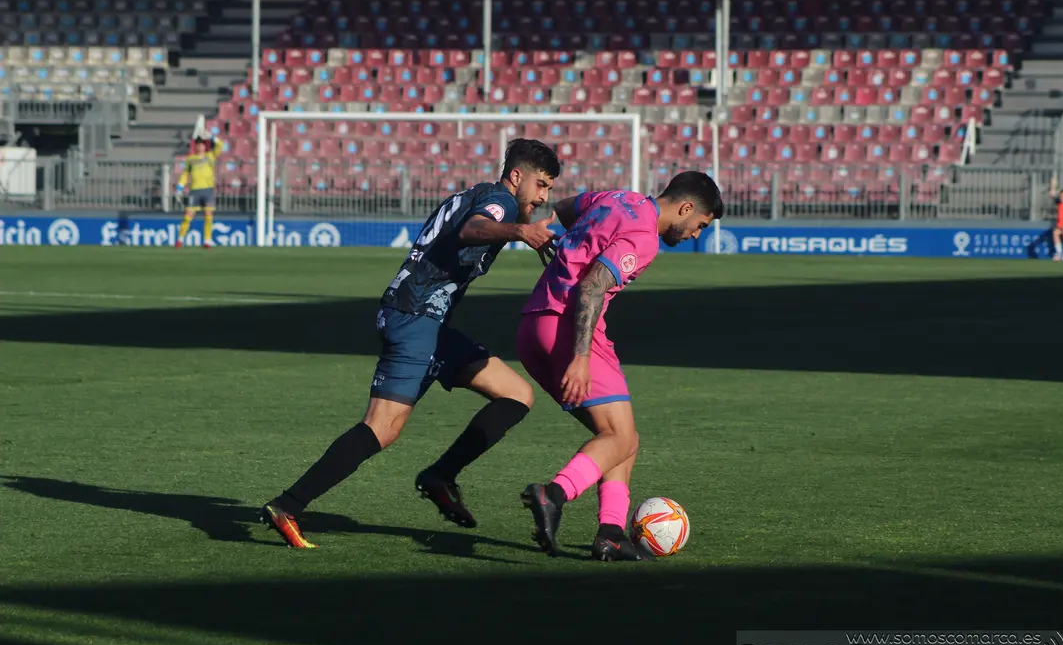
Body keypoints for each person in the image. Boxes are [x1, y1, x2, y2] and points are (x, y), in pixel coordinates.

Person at [260, 138, 562, 548]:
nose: (544, 197)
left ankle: (441, 475)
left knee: (517, 394)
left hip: (428, 324)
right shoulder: (500, 202)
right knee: (381, 428)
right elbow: (474, 229)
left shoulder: (476, 194)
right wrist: (518, 231)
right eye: (541, 185)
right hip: (414, 319)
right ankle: (288, 504)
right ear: (516, 176)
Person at [516, 172, 723, 562]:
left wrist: (567, 247)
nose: (696, 234)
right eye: (700, 225)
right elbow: (592, 286)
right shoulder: (644, 236)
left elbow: (563, 208)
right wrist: (580, 357)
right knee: (620, 436)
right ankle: (554, 494)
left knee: (623, 437)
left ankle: (610, 533)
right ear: (685, 208)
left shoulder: (617, 198)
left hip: (533, 325)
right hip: (568, 327)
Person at [175, 136, 223, 249]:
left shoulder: (210, 156)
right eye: (197, 144)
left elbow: (220, 145)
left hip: (208, 189)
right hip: (194, 190)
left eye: (201, 144)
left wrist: (212, 137)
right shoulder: (190, 159)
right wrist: (180, 187)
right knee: (188, 216)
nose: (199, 146)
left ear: (204, 146)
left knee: (208, 215)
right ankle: (180, 240)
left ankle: (207, 241)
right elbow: (185, 174)